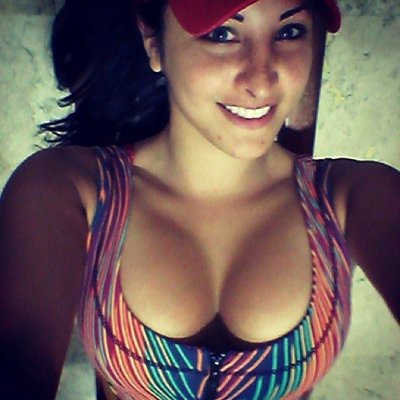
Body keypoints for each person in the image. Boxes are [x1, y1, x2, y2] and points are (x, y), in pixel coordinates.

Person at [0, 0, 399, 399]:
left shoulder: (352, 195)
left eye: (288, 32)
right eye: (222, 34)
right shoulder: (67, 188)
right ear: (153, 41)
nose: (262, 81)